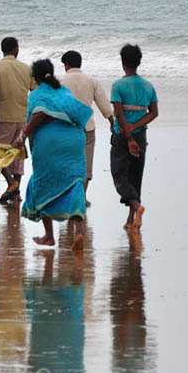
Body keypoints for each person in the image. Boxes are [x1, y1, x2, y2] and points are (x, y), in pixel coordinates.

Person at [15, 59, 93, 249]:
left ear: (35, 77)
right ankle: (80, 232)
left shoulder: (37, 94)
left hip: (50, 140)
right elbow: (77, 113)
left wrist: (24, 134)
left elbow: (39, 113)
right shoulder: (64, 92)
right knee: (75, 183)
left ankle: (49, 236)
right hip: (75, 139)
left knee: (42, 182)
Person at [110, 43, 158, 232]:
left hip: (123, 137)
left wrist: (128, 136)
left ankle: (136, 209)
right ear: (138, 62)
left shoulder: (118, 85)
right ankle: (131, 218)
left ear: (123, 63)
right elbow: (153, 112)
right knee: (136, 176)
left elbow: (119, 114)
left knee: (119, 174)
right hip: (141, 135)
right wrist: (136, 127)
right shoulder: (148, 85)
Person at [60, 50, 114, 201]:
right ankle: (82, 196)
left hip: (66, 129)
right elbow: (104, 105)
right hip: (87, 128)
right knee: (86, 161)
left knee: (67, 161)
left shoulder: (60, 82)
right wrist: (112, 123)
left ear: (67, 65)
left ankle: (69, 195)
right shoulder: (91, 81)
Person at [0, 37, 35, 203]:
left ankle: (11, 183)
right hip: (22, 116)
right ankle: (16, 192)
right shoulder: (26, 68)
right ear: (15, 49)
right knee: (18, 155)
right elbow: (35, 90)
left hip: (2, 117)